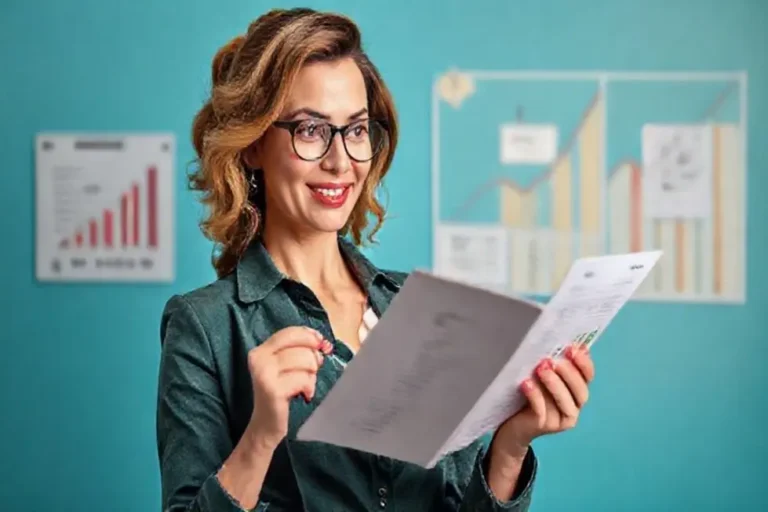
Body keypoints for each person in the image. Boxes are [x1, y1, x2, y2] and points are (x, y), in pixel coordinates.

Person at [155, 7, 596, 512]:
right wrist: (259, 439)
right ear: (253, 145)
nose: (341, 161)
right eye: (310, 129)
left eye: (356, 130)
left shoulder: (419, 305)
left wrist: (511, 444)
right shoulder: (205, 326)